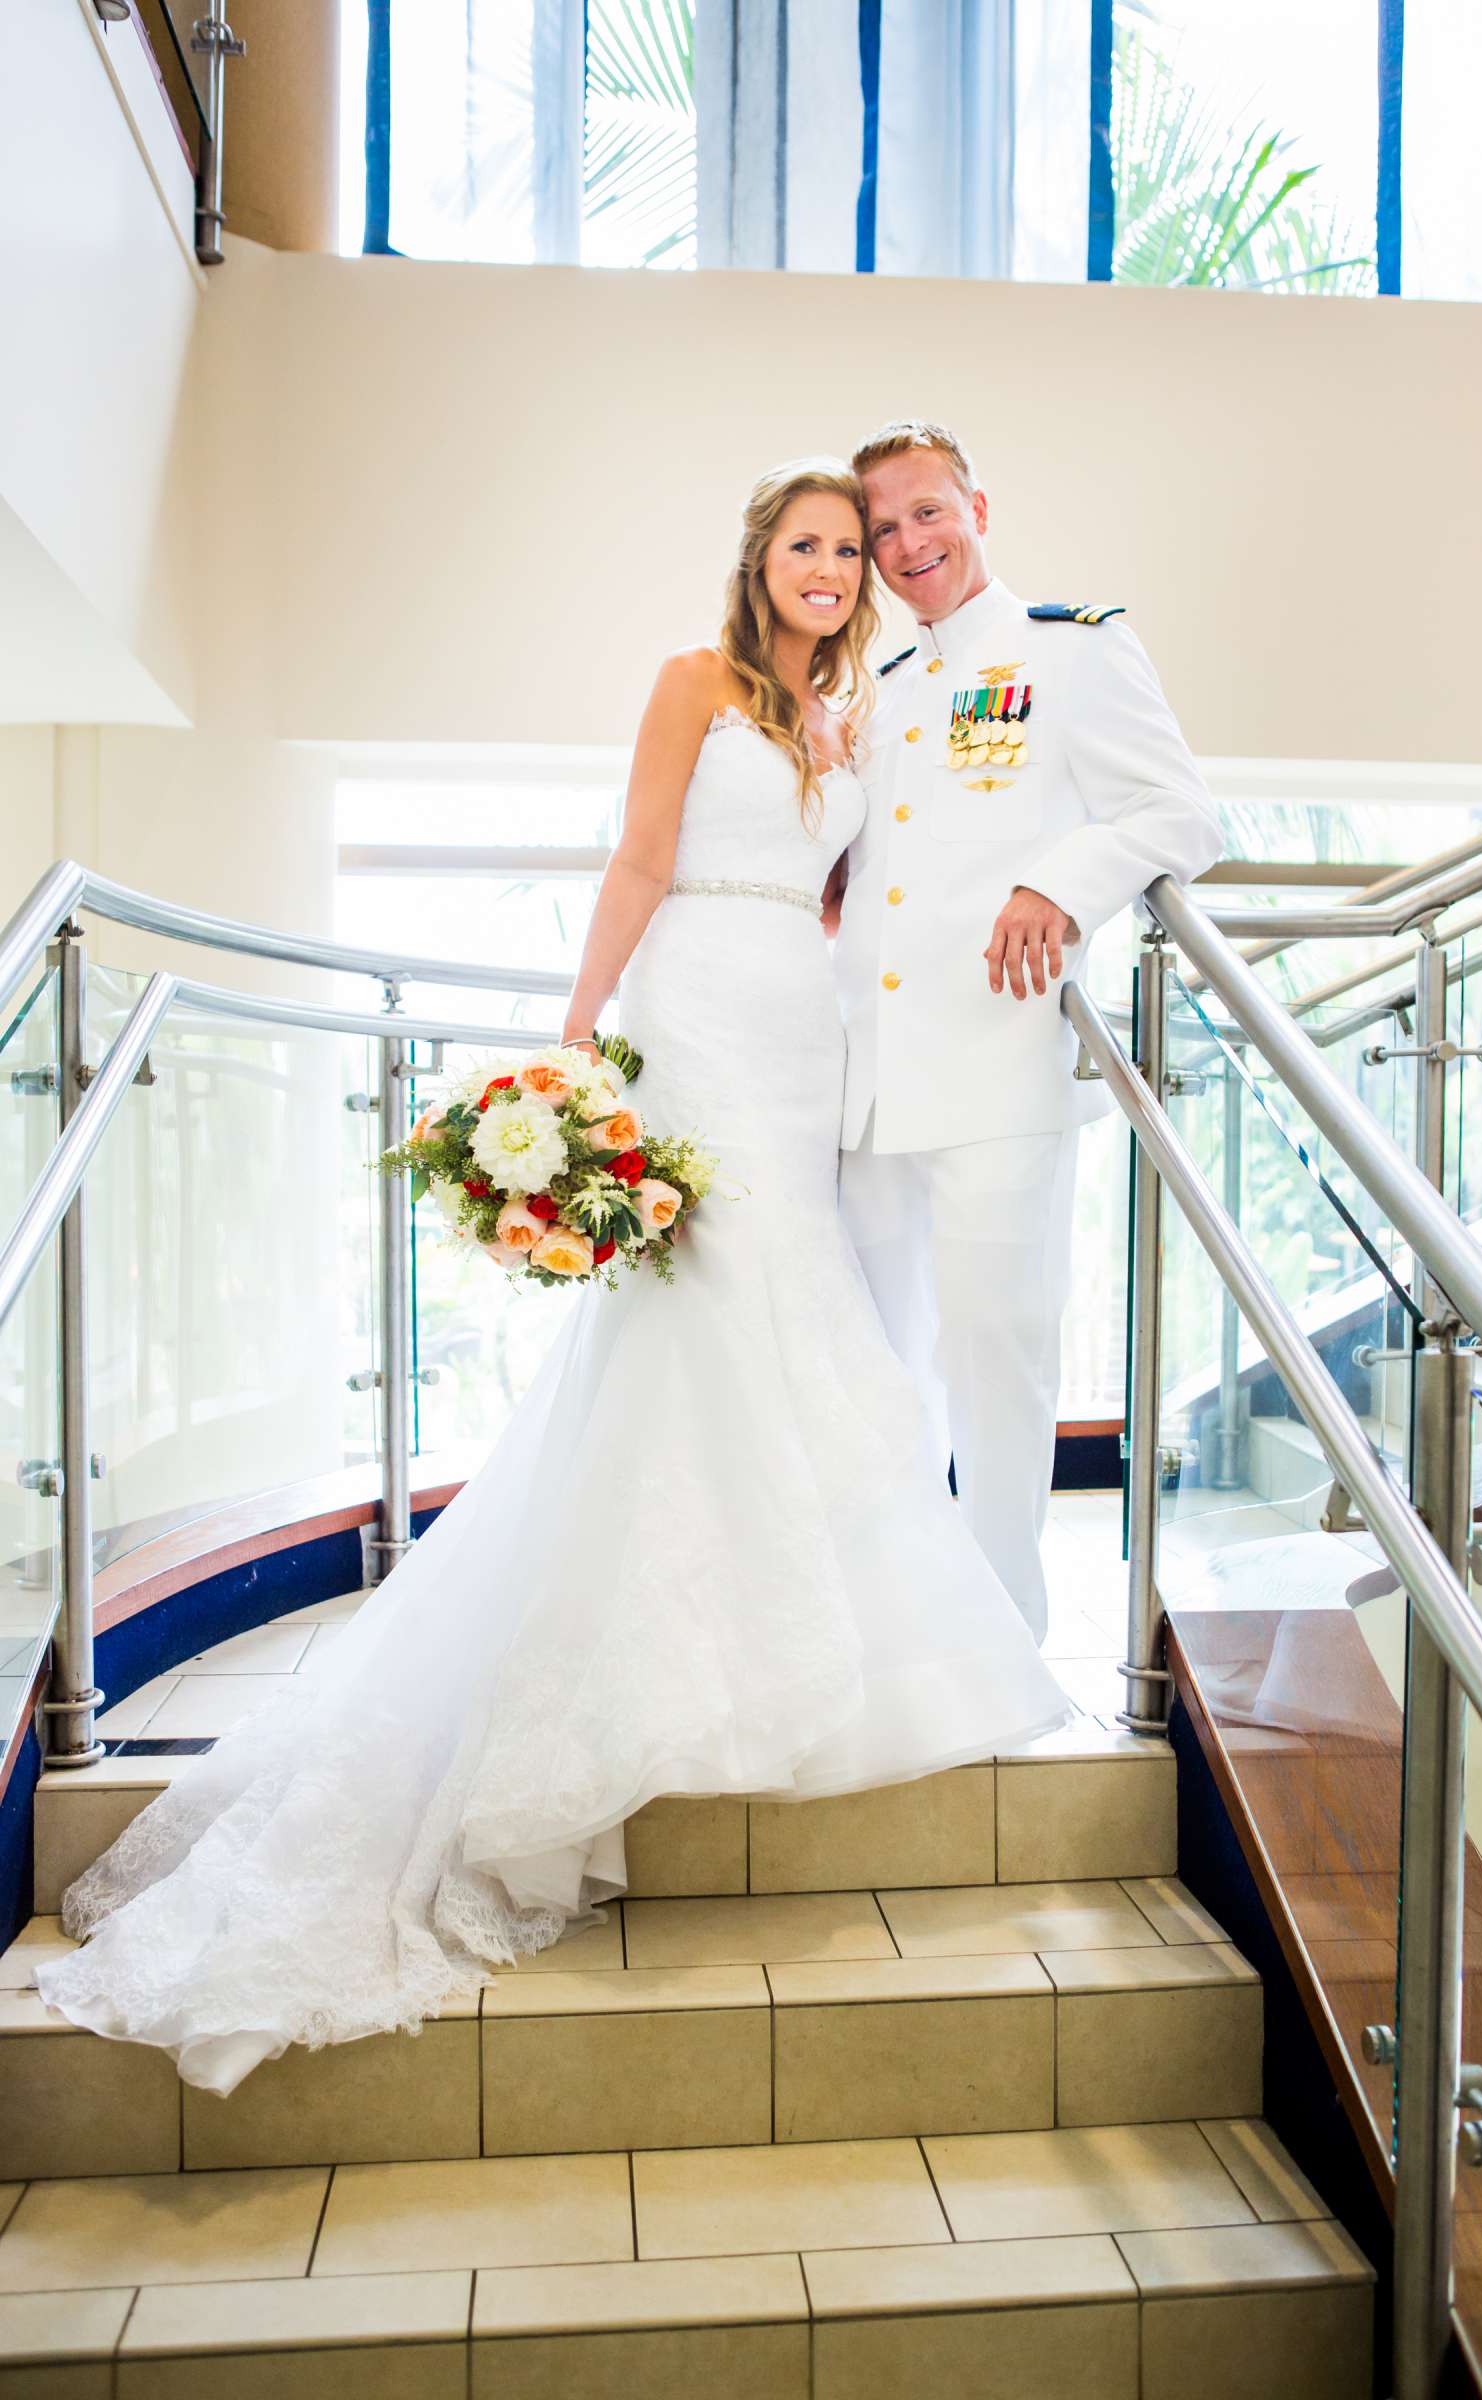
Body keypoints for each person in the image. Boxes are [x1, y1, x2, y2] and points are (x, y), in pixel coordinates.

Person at [36, 459, 1068, 2096]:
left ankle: (821, 1628)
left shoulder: (859, 714)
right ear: (762, 560)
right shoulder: (694, 684)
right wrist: (580, 1035)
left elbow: (871, 891)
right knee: (698, 1311)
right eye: (804, 544)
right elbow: (641, 862)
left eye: (845, 550)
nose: (827, 567)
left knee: (797, 1309)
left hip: (806, 1038)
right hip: (696, 1015)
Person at [834, 420, 1223, 1646]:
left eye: (927, 513)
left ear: (977, 508)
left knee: (997, 1362)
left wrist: (1056, 881)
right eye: (882, 529)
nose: (908, 545)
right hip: (869, 1090)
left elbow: (1180, 815)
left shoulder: (1071, 651)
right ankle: (896, 1621)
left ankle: (999, 1639)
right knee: (878, 1372)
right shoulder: (885, 693)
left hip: (999, 1070)